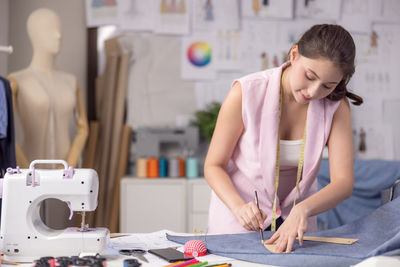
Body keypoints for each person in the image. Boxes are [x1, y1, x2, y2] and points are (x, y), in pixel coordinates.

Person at [204, 24, 363, 253]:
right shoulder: (245, 92)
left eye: (328, 86)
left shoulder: (336, 107)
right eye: (310, 76)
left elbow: (343, 183)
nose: (313, 91)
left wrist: (303, 209)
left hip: (296, 225)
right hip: (239, 219)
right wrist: (238, 207)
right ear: (294, 54)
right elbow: (213, 165)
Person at [8, 8, 88, 169]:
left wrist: (68, 165)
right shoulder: (16, 80)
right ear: (33, 34)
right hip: (30, 169)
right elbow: (6, 130)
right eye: (49, 29)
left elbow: (83, 128)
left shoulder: (71, 81)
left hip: (66, 172)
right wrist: (26, 168)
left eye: (59, 29)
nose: (58, 35)